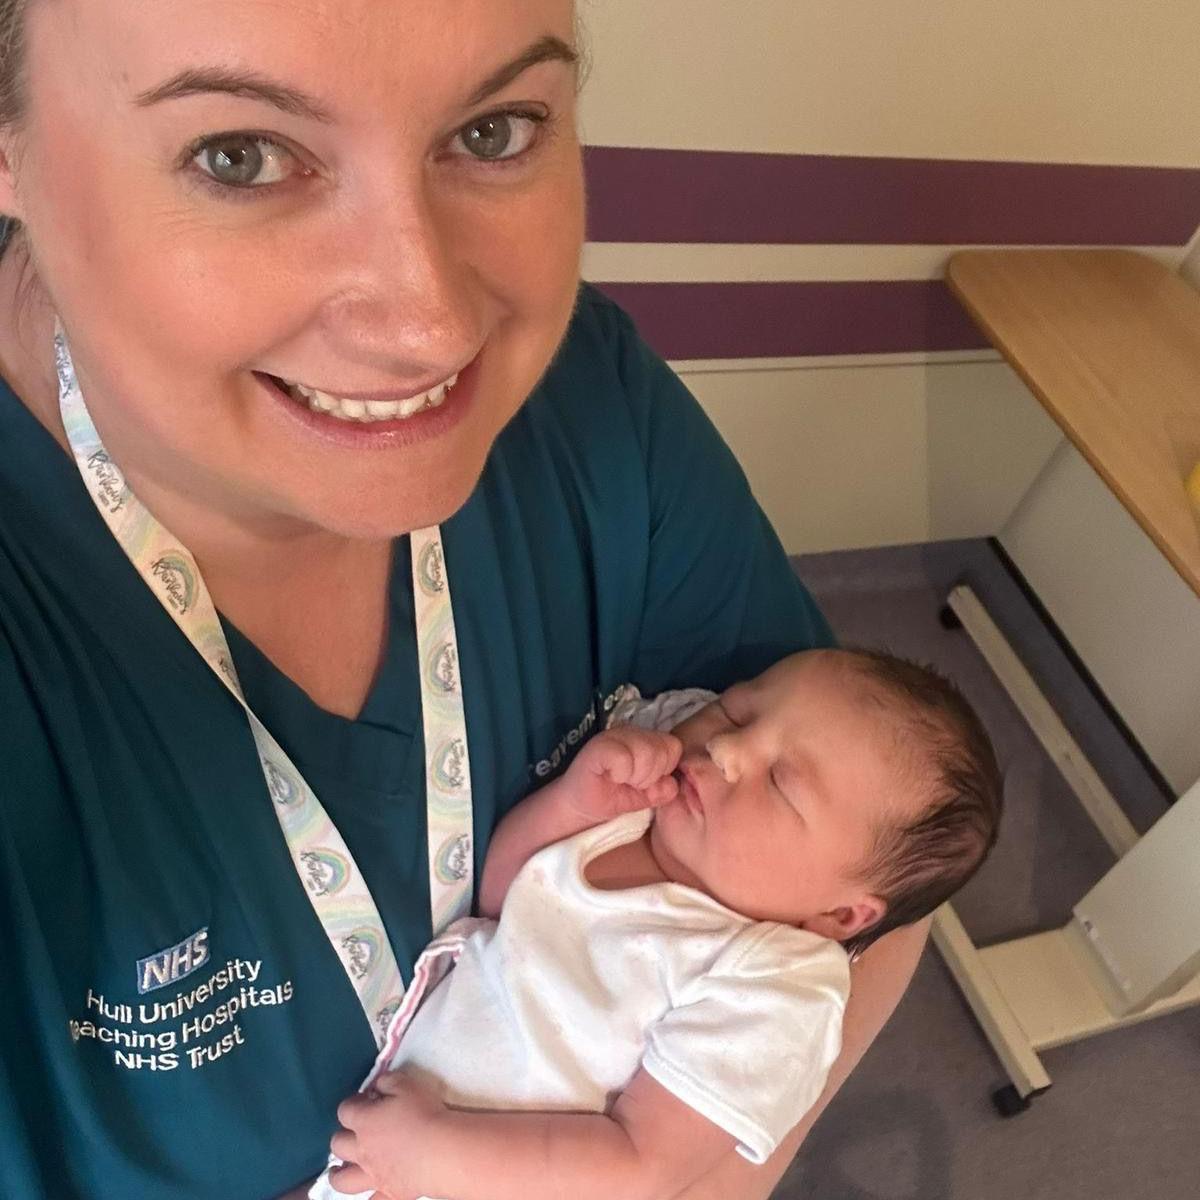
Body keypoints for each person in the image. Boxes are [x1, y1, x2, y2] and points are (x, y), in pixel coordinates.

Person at [0, 3, 929, 1197]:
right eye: (239, 156)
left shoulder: (589, 400)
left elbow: (880, 867)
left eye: (494, 130)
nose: (429, 324)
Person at [318, 648, 1002, 1200]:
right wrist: (570, 806)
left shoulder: (777, 982)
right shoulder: (642, 806)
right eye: (737, 712)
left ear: (839, 914)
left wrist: (432, 1151)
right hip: (394, 1145)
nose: (729, 752)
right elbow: (501, 904)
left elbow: (639, 1167)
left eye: (782, 784)